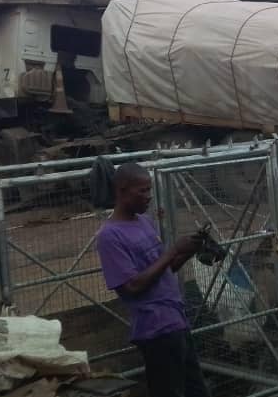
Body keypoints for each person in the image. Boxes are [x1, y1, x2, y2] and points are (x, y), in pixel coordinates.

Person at [95, 162, 209, 397]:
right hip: (155, 328)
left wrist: (190, 250)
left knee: (197, 390)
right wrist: (173, 250)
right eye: (142, 191)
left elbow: (166, 268)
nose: (149, 196)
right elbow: (132, 285)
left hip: (176, 320)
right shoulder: (110, 236)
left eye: (149, 190)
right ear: (122, 191)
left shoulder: (145, 222)